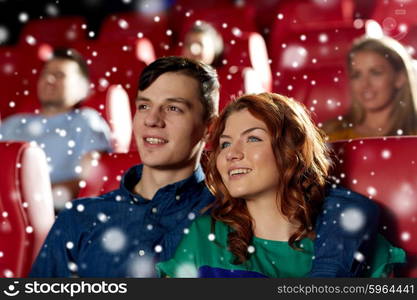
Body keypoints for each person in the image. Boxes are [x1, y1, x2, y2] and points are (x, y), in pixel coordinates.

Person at [30, 57, 378, 277]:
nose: (152, 121)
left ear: (209, 128)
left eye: (174, 108)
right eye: (144, 106)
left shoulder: (234, 204)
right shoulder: (81, 216)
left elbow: (339, 205)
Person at [157, 93, 405, 278]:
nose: (231, 154)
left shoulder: (354, 240)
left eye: (253, 138)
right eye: (225, 143)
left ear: (290, 152)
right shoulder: (202, 237)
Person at [0, 48, 112, 210]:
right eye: (45, 73)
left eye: (60, 75)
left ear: (82, 87)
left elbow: (92, 181)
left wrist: (26, 198)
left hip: (52, 210)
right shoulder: (13, 123)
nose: (49, 79)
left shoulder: (86, 120)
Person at [323, 35, 417, 141]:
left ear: (400, 78)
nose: (365, 84)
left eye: (376, 73)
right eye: (356, 75)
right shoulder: (331, 134)